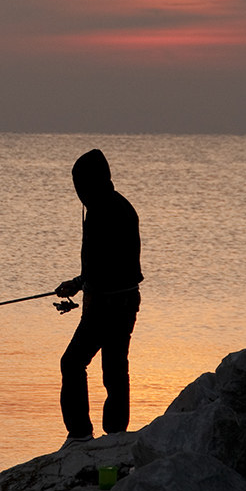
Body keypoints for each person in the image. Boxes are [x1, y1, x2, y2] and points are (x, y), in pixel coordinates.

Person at [55, 148, 143, 444]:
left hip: (110, 305)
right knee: (115, 369)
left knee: (73, 363)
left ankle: (80, 435)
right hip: (122, 302)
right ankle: (115, 436)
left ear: (91, 182)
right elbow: (102, 266)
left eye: (80, 185)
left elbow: (109, 266)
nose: (78, 192)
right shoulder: (116, 206)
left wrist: (84, 286)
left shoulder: (105, 212)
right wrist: (79, 283)